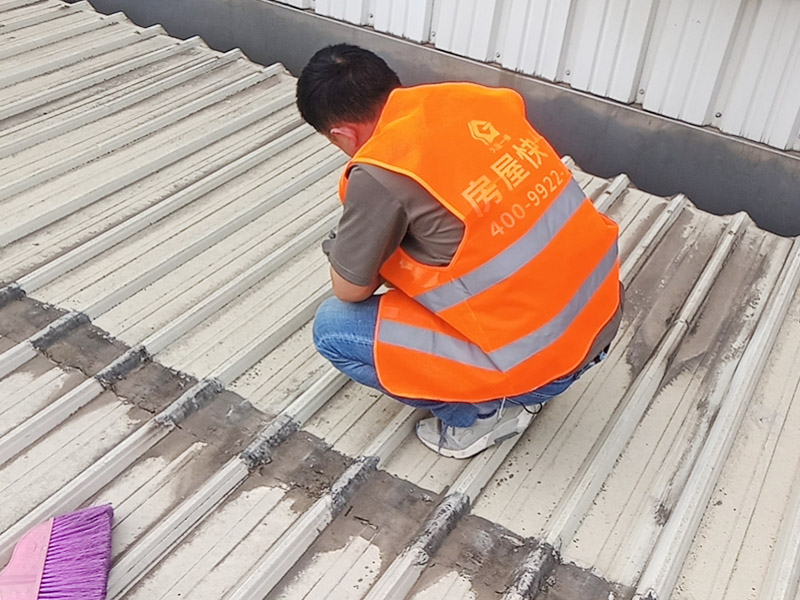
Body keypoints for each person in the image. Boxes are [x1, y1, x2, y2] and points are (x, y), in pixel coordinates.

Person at [296, 44, 623, 459]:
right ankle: (522, 384)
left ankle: (483, 414)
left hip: (540, 362)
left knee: (333, 328)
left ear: (342, 134)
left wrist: (353, 244)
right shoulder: (474, 101)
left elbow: (350, 289)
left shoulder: (382, 169)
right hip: (601, 315)